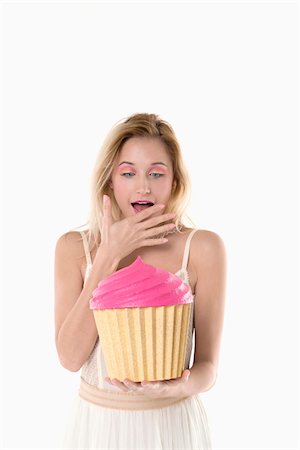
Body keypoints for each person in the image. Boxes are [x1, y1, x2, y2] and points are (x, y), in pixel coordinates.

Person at [54, 112, 227, 449]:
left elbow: (208, 367)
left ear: (174, 181)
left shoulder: (203, 248)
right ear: (110, 182)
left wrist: (179, 386)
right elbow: (70, 358)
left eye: (156, 173)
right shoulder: (73, 249)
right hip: (98, 427)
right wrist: (109, 255)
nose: (143, 185)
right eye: (129, 173)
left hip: (172, 424)